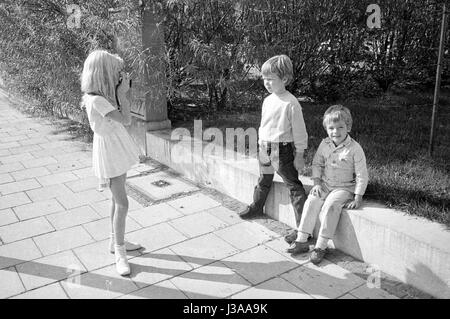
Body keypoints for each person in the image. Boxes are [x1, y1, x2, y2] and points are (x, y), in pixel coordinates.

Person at [81, 50, 142, 276]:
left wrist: (117, 94)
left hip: (115, 146)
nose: (119, 76)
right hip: (110, 151)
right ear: (104, 75)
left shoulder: (99, 97)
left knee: (117, 200)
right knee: (123, 203)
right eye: (116, 72)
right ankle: (120, 252)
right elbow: (125, 119)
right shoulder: (97, 100)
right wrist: (123, 94)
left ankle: (114, 240)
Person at [285, 105, 368, 265]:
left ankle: (321, 246)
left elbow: (361, 174)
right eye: (331, 128)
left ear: (348, 127)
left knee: (330, 206)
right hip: (326, 184)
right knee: (312, 199)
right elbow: (317, 164)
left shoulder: (355, 149)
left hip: (344, 188)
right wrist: (316, 183)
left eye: (340, 127)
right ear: (326, 129)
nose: (335, 132)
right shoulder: (325, 144)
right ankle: (302, 239)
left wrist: (358, 196)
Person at [239, 55, 308, 222]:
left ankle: (303, 226)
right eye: (264, 79)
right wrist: (260, 143)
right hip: (264, 149)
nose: (266, 83)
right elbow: (265, 125)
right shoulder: (268, 100)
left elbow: (300, 132)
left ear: (284, 79)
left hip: (282, 151)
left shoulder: (291, 103)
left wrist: (299, 155)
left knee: (293, 186)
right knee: (263, 180)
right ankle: (256, 207)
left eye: (270, 79)